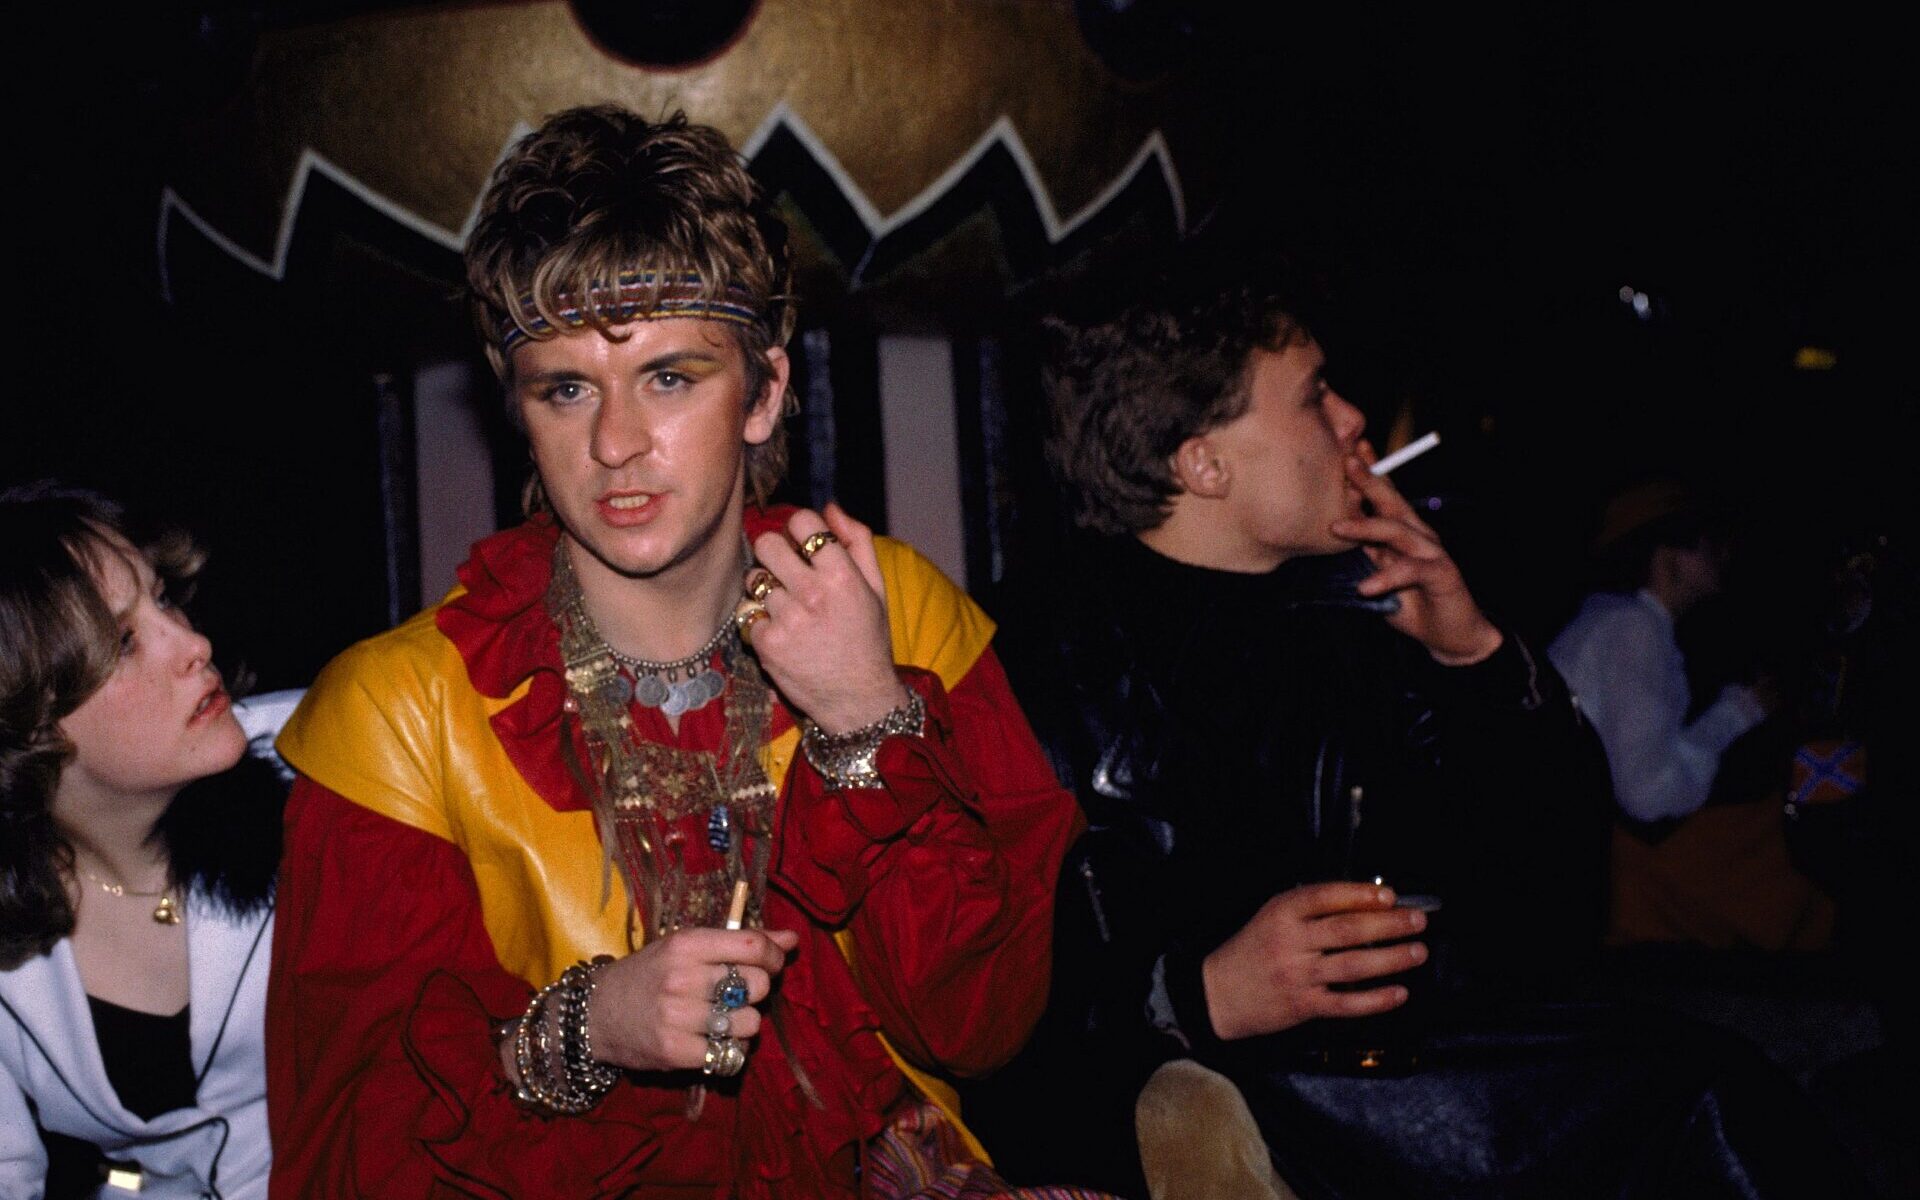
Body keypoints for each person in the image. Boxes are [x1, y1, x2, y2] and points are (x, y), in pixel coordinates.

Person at [264, 106, 1095, 1199]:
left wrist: (864, 719)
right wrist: (578, 1032)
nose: (613, 444)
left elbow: (979, 1029)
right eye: (567, 388)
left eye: (670, 377)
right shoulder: (399, 711)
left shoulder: (896, 613)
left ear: (764, 394)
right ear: (519, 408)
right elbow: (343, 1158)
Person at [966, 261, 1857, 1198]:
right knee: (1702, 1101)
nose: (1352, 420)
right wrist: (1198, 994)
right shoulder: (1029, 670)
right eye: (1313, 397)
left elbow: (1551, 909)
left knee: (1716, 1084)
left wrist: (1475, 656)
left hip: (1405, 1067)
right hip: (1246, 1102)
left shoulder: (1360, 619)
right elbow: (993, 1029)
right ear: (1204, 463)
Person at [1, 483, 285, 1200]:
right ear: (30, 725)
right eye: (124, 641)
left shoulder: (333, 762)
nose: (195, 644)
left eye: (165, 600)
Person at [1548, 481, 1772, 825]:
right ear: (1669, 558)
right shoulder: (1632, 630)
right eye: (1707, 545)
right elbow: (1648, 793)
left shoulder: (1622, 623)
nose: (1722, 555)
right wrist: (1738, 713)